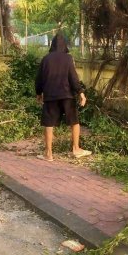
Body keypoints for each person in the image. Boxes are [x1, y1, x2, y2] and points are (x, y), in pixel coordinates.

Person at [35, 33, 91, 162]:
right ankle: (76, 149)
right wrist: (81, 93)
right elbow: (73, 78)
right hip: (67, 95)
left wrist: (39, 93)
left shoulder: (46, 59)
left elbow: (39, 79)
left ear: (52, 45)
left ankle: (48, 154)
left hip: (50, 95)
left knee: (49, 124)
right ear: (65, 45)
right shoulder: (68, 58)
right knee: (74, 122)